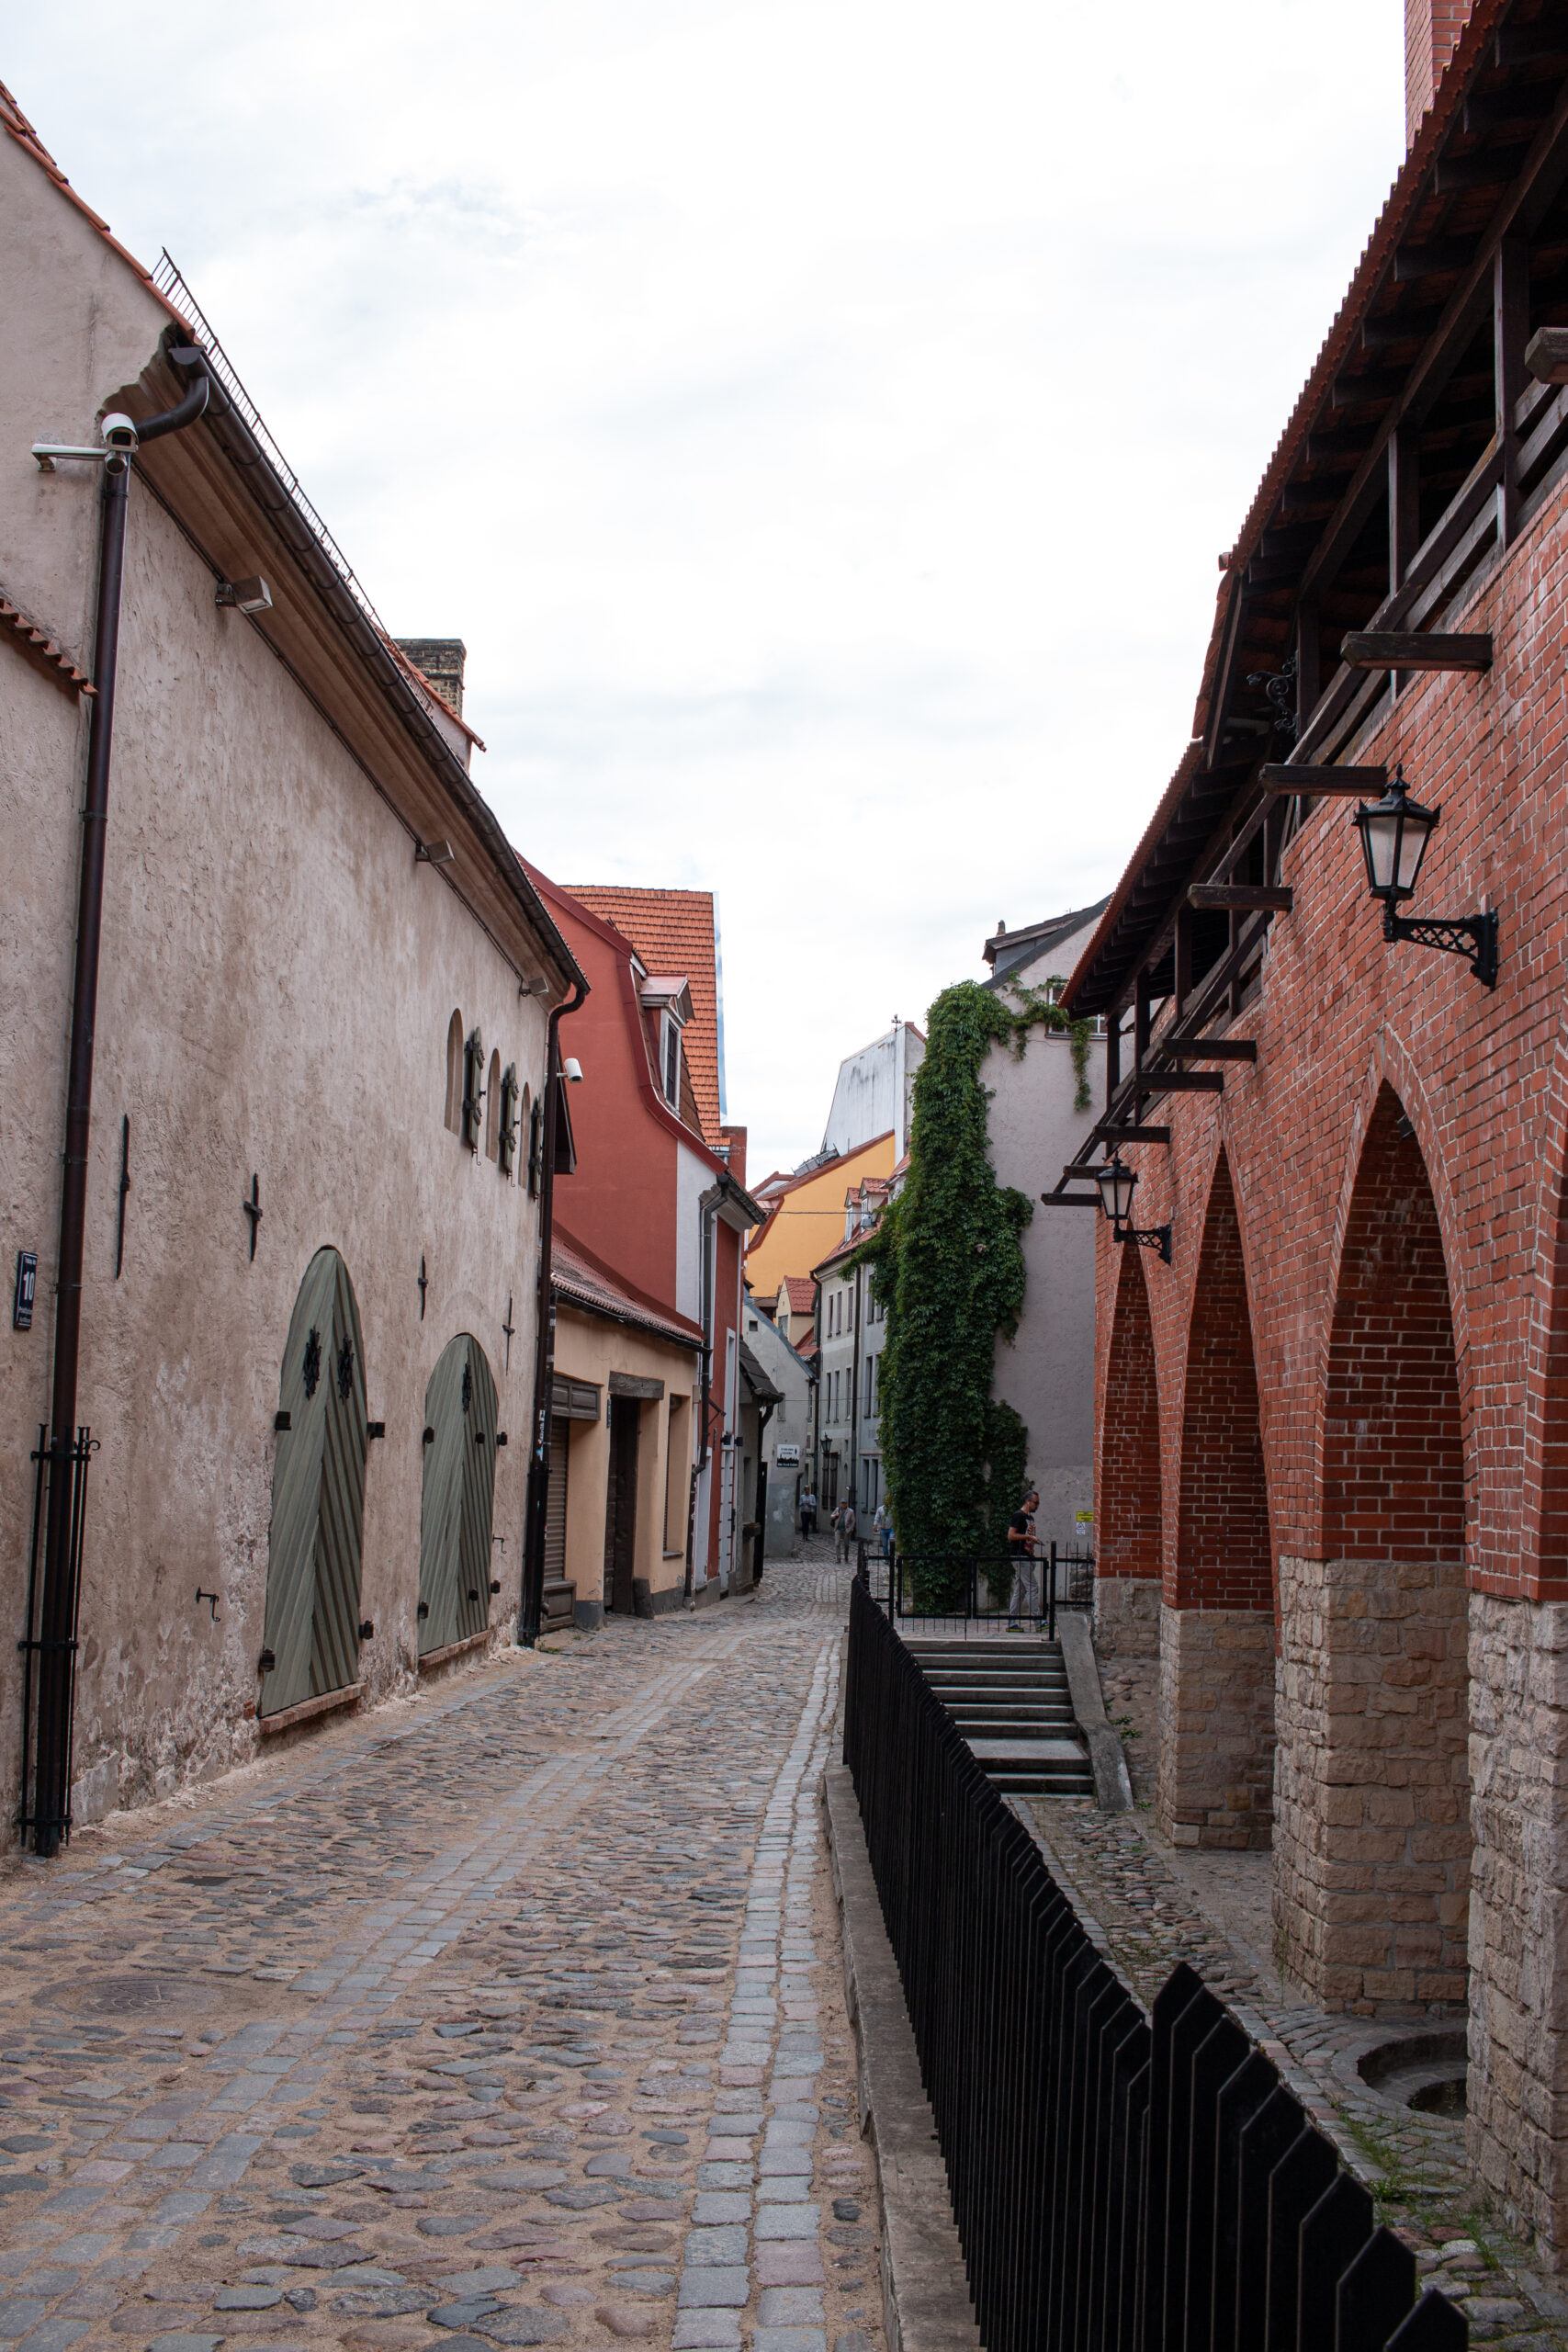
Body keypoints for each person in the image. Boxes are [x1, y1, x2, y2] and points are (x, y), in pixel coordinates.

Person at [836, 1498, 857, 1564]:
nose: (843, 1504)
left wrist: (849, 1529)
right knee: (837, 1544)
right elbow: (832, 1516)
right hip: (838, 1529)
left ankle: (846, 1557)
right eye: (842, 1503)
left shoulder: (850, 1511)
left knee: (846, 1545)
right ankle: (838, 1558)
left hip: (846, 1530)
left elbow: (853, 1521)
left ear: (846, 1504)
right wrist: (834, 1516)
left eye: (844, 1503)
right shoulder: (838, 1509)